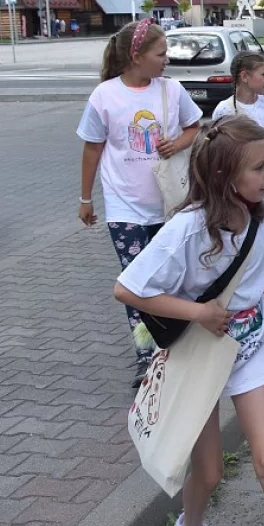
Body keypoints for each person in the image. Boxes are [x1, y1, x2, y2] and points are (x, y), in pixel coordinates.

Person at [115, 116, 264, 526]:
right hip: (199, 356)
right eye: (259, 167)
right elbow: (126, 289)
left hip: (251, 349)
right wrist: (199, 312)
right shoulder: (187, 229)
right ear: (224, 175)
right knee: (210, 472)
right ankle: (190, 522)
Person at [77, 19, 202, 387]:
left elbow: (194, 127)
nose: (167, 60)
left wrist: (178, 143)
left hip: (170, 206)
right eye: (161, 54)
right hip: (124, 209)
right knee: (136, 282)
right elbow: (92, 149)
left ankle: (174, 343)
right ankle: (145, 353)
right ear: (136, 57)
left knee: (170, 278)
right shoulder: (104, 96)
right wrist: (85, 199)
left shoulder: (172, 90)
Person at [212, 51, 264, 304]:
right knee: (243, 225)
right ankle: (244, 274)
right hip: (236, 181)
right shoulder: (225, 109)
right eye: (263, 74)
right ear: (244, 76)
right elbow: (215, 147)